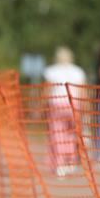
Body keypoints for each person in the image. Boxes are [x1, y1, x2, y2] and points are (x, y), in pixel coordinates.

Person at [43, 46, 86, 177]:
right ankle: (71, 162)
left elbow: (47, 90)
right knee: (71, 135)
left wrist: (42, 106)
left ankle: (60, 164)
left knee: (57, 135)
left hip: (56, 105)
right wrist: (84, 109)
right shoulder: (78, 71)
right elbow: (83, 91)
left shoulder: (51, 71)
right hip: (74, 105)